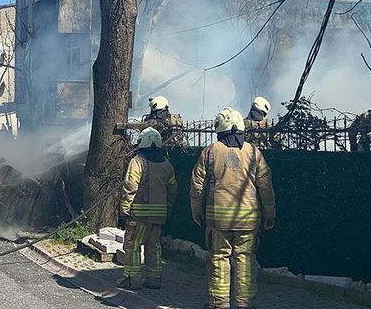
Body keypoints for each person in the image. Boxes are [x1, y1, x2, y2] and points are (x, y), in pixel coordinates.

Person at [190, 108, 276, 309]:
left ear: (219, 128)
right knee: (245, 261)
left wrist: (196, 210)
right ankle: (245, 304)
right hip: (248, 220)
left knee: (219, 259)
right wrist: (270, 213)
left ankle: (219, 304)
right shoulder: (254, 153)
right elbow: (265, 185)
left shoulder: (210, 152)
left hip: (218, 221)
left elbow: (197, 185)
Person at [117, 127, 177, 290]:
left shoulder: (137, 161)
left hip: (139, 215)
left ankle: (132, 280)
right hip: (158, 216)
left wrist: (124, 208)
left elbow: (130, 187)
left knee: (133, 245)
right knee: (154, 246)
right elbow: (172, 189)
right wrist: (168, 208)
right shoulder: (166, 164)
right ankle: (154, 279)